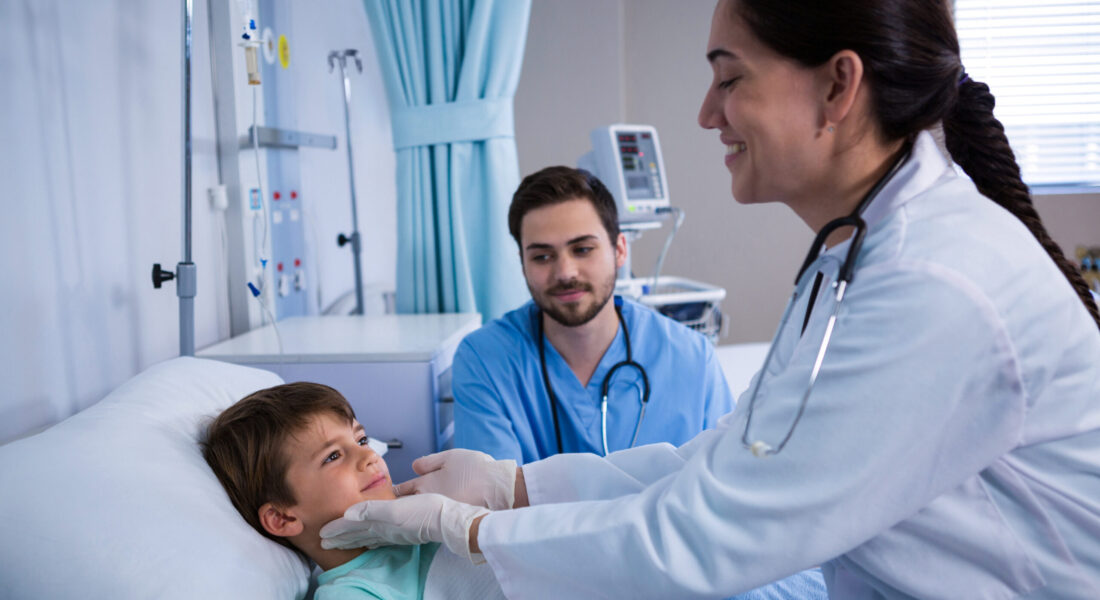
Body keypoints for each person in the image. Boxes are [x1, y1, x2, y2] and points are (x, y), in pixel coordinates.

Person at [319, 0, 1100, 597]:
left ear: (839, 86)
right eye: (541, 254)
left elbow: (713, 530)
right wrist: (512, 485)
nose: (706, 113)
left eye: (731, 78)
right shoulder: (854, 253)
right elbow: (728, 461)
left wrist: (476, 529)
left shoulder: (934, 282)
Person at [451, 165, 734, 463]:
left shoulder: (691, 358)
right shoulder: (485, 359)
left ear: (619, 250)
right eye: (542, 257)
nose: (565, 273)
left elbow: (724, 484)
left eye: (583, 249)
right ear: (522, 265)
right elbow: (492, 500)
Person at [201, 382, 505, 600]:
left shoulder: (432, 518)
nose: (370, 456)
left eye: (361, 440)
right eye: (333, 456)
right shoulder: (353, 592)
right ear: (282, 517)